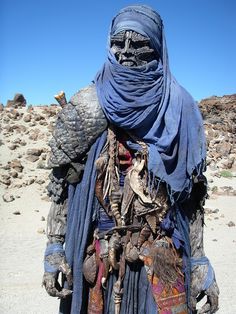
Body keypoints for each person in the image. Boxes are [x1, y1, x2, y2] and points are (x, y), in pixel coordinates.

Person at [42, 5, 219, 314]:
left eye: (138, 43)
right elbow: (62, 183)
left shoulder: (179, 110)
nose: (125, 52)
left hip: (162, 256)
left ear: (157, 46)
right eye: (117, 43)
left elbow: (191, 199)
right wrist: (55, 247)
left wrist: (200, 261)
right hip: (99, 258)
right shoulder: (88, 106)